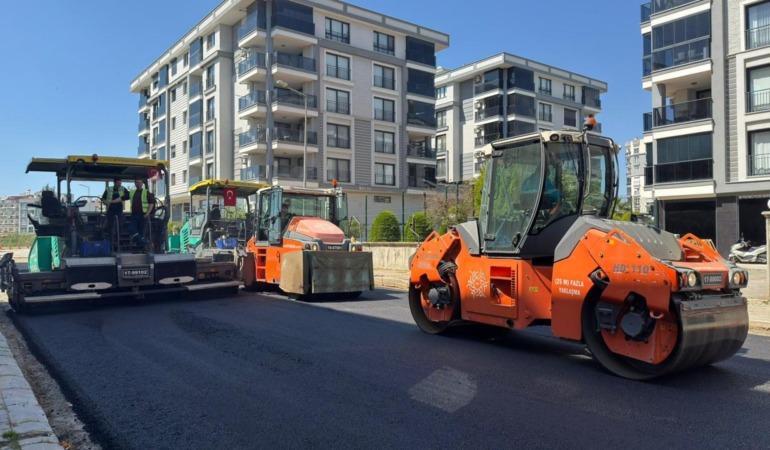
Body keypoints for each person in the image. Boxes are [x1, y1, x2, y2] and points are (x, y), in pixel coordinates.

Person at [128, 178, 155, 247]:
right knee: (132, 229)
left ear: (142, 183)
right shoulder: (132, 192)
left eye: (140, 182)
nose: (138, 184)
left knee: (142, 232)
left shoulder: (146, 192)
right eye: (137, 182)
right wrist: (111, 202)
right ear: (135, 183)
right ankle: (143, 242)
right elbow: (122, 198)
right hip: (134, 215)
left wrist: (147, 213)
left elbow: (151, 203)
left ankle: (142, 247)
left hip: (143, 215)